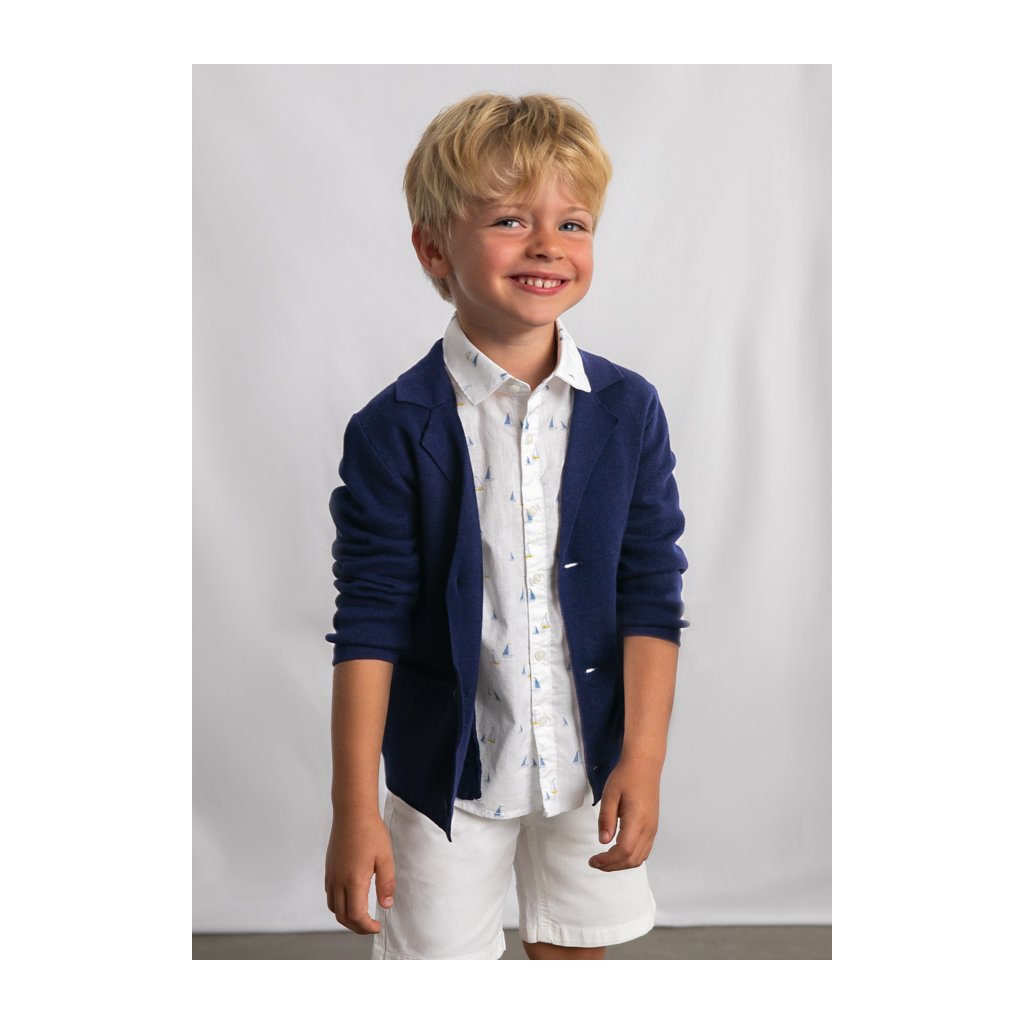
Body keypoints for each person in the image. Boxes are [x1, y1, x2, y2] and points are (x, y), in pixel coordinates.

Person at [324, 92, 689, 960]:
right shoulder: (393, 428)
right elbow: (369, 620)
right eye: (510, 220)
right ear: (434, 248)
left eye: (573, 223)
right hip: (445, 781)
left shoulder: (629, 410)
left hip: (587, 764)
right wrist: (353, 808)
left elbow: (650, 592)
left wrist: (642, 759)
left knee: (575, 951)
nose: (547, 245)